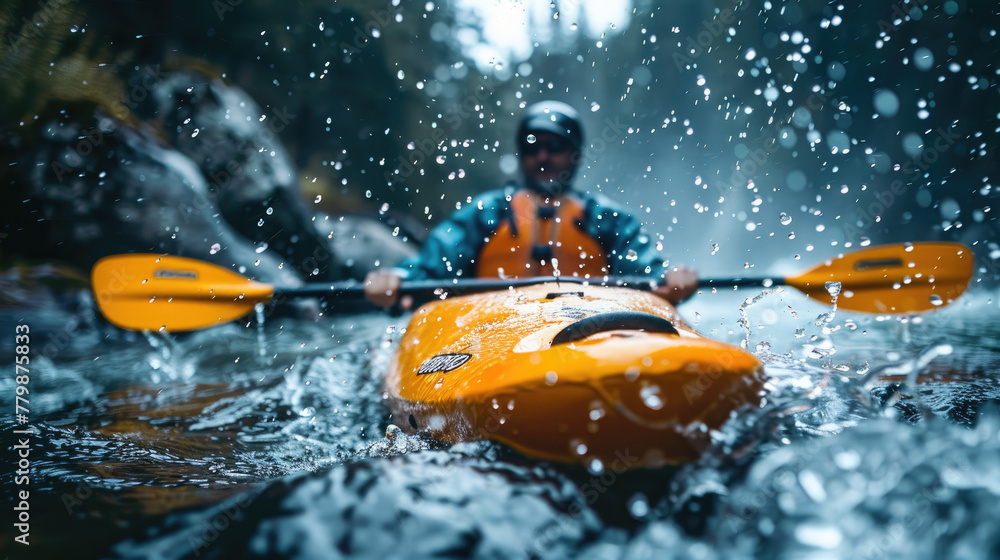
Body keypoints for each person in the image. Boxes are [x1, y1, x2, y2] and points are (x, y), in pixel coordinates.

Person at [364, 100, 698, 310]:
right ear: (521, 155)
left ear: (575, 155)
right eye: (532, 146)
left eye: (555, 146)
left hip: (593, 325)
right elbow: (432, 266)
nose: (542, 156)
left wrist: (670, 281)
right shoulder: (487, 213)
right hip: (491, 329)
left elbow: (647, 273)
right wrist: (396, 280)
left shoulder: (605, 218)